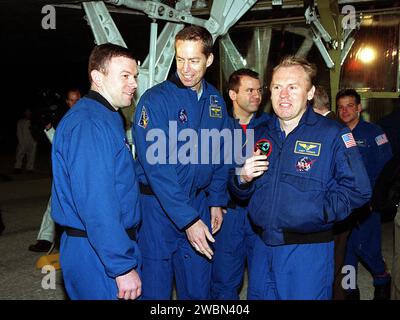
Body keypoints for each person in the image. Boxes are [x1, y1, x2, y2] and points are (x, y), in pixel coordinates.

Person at [228, 56, 371, 300]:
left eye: (292, 87)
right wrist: (241, 179)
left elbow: (359, 189)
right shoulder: (258, 132)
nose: (283, 95)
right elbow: (238, 187)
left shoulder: (332, 134)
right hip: (261, 249)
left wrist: (320, 212)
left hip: (307, 253)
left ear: (309, 92)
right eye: (276, 87)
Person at [132, 25, 229, 300]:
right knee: (156, 290)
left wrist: (216, 200)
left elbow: (221, 154)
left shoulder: (215, 101)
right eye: (180, 59)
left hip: (198, 203)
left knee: (198, 287)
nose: (186, 69)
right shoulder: (155, 101)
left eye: (194, 60)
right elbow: (158, 171)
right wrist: (188, 220)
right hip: (158, 209)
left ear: (209, 60)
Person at [51, 43, 141, 300]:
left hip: (108, 244)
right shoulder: (89, 123)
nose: (133, 83)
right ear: (97, 77)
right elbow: (96, 203)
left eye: (134, 76)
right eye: (124, 76)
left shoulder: (108, 115)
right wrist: (121, 266)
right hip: (95, 250)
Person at [211, 68, 269, 299]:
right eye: (249, 90)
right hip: (229, 215)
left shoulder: (270, 127)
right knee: (225, 281)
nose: (257, 95)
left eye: (259, 90)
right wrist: (215, 201)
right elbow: (210, 170)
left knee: (263, 281)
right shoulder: (217, 127)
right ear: (233, 95)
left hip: (259, 214)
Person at [337, 88, 393, 300]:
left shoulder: (374, 133)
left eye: (350, 106)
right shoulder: (334, 133)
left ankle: (382, 279)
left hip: (368, 205)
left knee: (367, 247)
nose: (345, 111)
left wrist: (376, 201)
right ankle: (350, 291)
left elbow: (386, 171)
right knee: (346, 252)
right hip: (343, 205)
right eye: (341, 107)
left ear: (359, 108)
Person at [28, 89, 81, 252]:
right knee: (54, 204)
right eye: (71, 100)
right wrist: (50, 129)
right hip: (66, 172)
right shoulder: (65, 119)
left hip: (82, 171)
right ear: (67, 102)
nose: (74, 103)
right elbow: (59, 145)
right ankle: (45, 240)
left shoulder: (86, 117)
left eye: (77, 100)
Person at [14, 108, 37, 173]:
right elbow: (18, 132)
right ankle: (17, 167)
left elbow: (37, 131)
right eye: (27, 112)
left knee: (31, 155)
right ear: (24, 113)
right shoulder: (21, 121)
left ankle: (30, 168)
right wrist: (21, 141)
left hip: (32, 141)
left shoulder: (33, 121)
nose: (28, 113)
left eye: (29, 112)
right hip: (23, 140)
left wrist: (35, 141)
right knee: (19, 154)